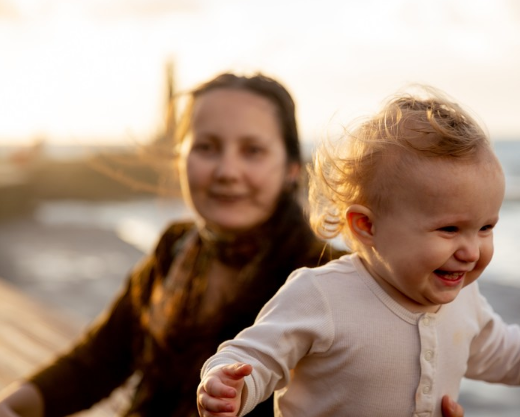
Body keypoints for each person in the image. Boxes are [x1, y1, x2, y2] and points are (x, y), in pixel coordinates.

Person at [196, 87, 520, 417]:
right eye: (449, 229)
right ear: (366, 226)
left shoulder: (463, 301)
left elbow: (501, 348)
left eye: (486, 228)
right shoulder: (322, 295)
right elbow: (257, 354)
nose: (470, 249)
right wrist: (228, 385)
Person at [0, 72, 350, 417]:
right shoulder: (176, 248)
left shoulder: (329, 277)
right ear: (180, 158)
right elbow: (98, 362)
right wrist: (12, 404)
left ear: (291, 168)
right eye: (207, 147)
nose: (227, 170)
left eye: (253, 150)